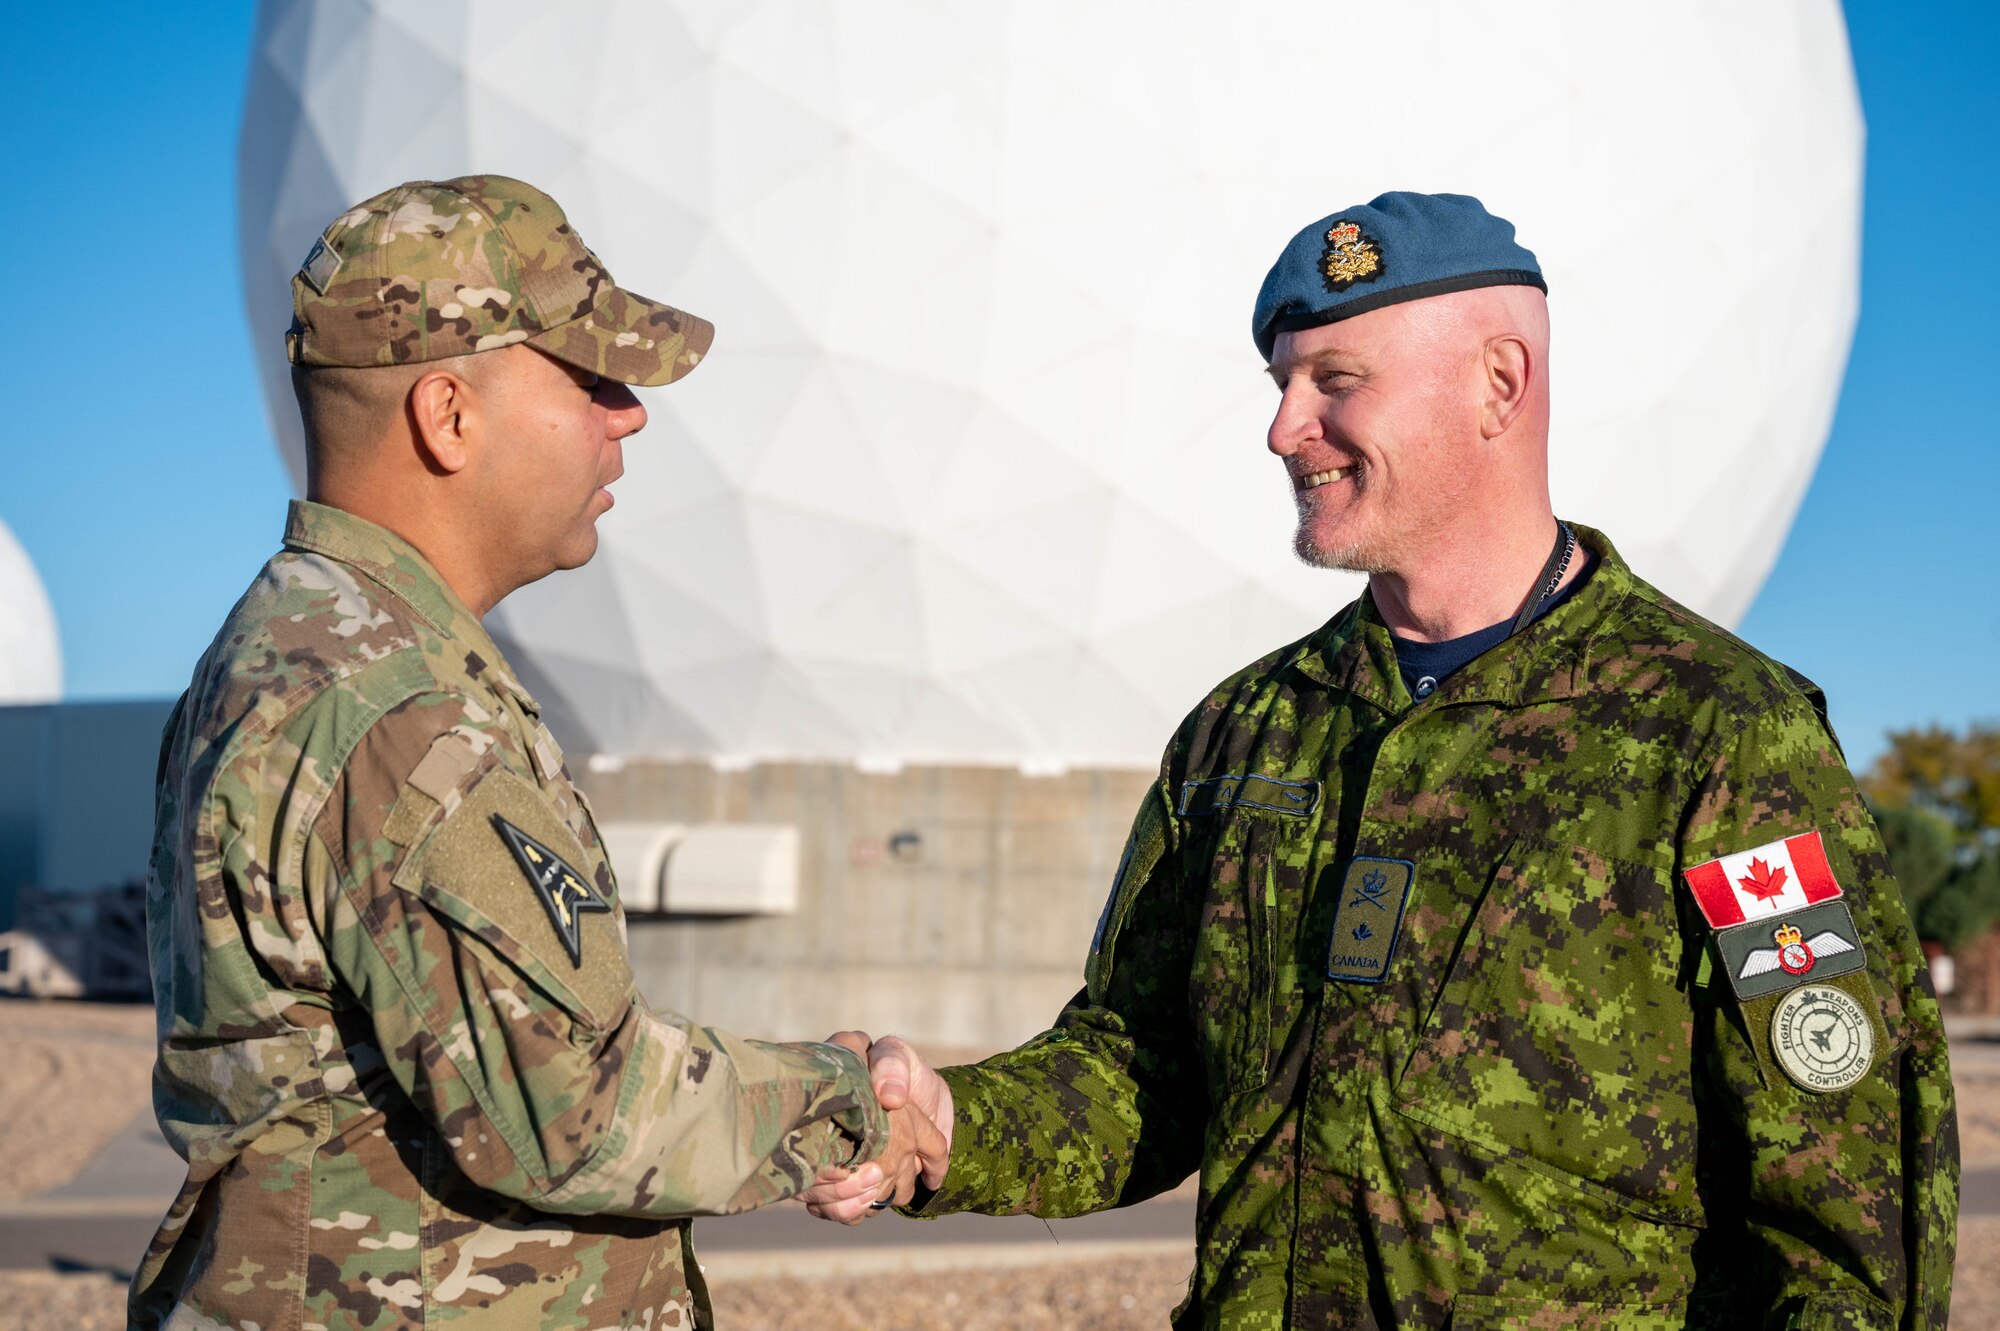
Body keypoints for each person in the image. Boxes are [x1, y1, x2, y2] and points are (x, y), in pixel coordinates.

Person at [803, 192, 1959, 1328]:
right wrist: (950, 1122)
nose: (1281, 427)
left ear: (1496, 384)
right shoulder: (1244, 728)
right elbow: (1143, 1068)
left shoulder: (1710, 730)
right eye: (1279, 384)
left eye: (1334, 382)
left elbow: (1844, 1201)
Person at [132, 175, 942, 1330]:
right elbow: (574, 1111)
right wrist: (849, 1098)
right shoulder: (392, 706)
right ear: (448, 415)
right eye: (589, 377)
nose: (629, 415)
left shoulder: (301, 648)